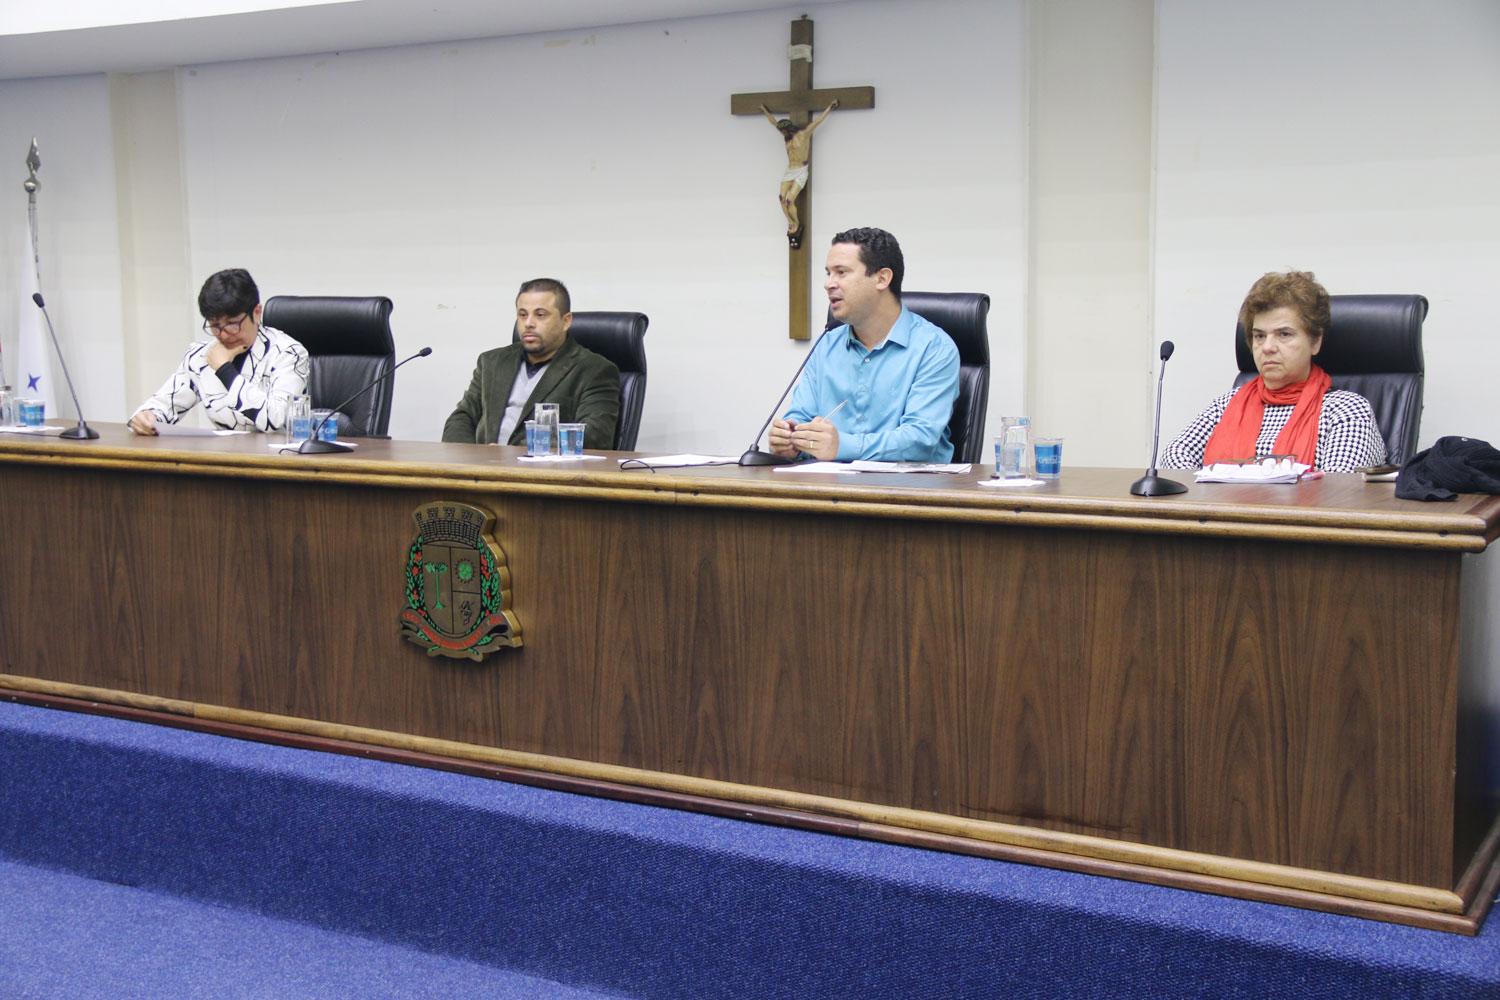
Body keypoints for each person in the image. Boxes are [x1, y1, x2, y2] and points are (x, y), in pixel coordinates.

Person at [1160, 271, 1387, 472]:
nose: (1267, 347)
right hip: (1221, 517)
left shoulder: (1345, 410)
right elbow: (1174, 456)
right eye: (1259, 336)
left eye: (1284, 334)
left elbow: (1338, 489)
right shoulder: (1228, 404)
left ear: (1315, 341)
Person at [769, 228, 959, 463]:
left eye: (841, 273)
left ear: (882, 279)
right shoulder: (826, 345)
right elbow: (800, 416)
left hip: (907, 492)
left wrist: (842, 446)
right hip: (826, 490)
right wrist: (789, 439)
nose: (828, 284)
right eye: (828, 273)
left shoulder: (934, 348)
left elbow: (919, 442)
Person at [442, 278, 619, 449]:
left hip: (542, 475)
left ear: (566, 321)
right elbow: (461, 418)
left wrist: (513, 455)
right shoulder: (492, 363)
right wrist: (471, 456)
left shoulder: (594, 370)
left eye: (540, 315)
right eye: (522, 315)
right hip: (483, 472)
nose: (528, 323)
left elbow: (595, 438)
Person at [129, 268, 309, 435]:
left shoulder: (288, 353)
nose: (223, 334)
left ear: (256, 312)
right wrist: (147, 416)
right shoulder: (200, 356)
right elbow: (164, 404)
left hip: (278, 462)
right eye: (215, 325)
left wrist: (225, 371)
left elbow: (275, 419)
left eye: (232, 324)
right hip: (222, 459)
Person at [761, 100, 837, 248]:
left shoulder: (803, 134)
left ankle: (796, 222)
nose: (781, 133)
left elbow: (818, 121)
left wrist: (830, 107)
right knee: (781, 198)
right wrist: (764, 110)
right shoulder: (786, 137)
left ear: (788, 129)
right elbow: (773, 122)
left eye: (783, 131)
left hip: (801, 170)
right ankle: (791, 222)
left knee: (790, 200)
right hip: (790, 170)